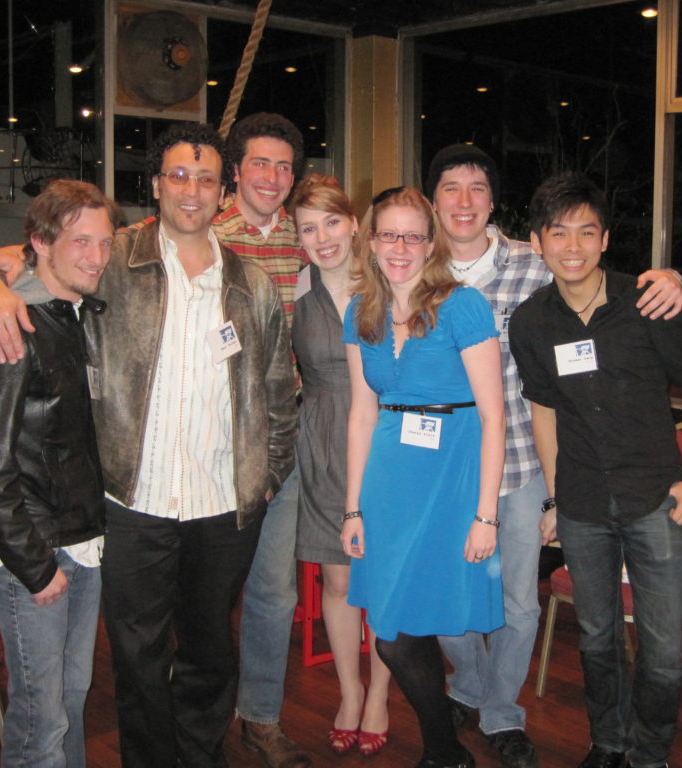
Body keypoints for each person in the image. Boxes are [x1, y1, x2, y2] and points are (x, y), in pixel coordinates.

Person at [0, 122, 298, 768]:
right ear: (154, 185)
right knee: (138, 659)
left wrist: (267, 475)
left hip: (225, 503)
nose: (191, 190)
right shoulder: (113, 257)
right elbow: (27, 264)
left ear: (223, 188)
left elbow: (280, 392)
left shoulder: (251, 285)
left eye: (204, 177)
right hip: (130, 499)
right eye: (177, 175)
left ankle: (200, 757)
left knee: (208, 653)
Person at [424, 145, 682, 768]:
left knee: (519, 602)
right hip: (441, 469)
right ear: (433, 200)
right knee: (445, 597)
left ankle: (501, 712)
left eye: (477, 188)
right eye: (451, 189)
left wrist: (671, 278)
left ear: (494, 201)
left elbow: (597, 278)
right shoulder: (411, 265)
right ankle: (467, 682)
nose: (464, 201)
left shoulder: (533, 262)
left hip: (516, 464)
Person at [508, 171, 682, 768]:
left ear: (603, 241)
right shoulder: (531, 323)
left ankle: (651, 754)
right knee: (597, 639)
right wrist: (552, 498)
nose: (571, 246)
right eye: (557, 233)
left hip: (657, 498)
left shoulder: (648, 303)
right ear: (537, 241)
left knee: (662, 648)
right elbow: (542, 410)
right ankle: (609, 742)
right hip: (582, 504)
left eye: (585, 232)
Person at [0, 179, 118, 768]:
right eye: (80, 241)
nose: (96, 256)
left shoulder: (73, 316)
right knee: (39, 716)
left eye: (103, 242)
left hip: (83, 543)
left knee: (69, 701)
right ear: (41, 244)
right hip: (37, 554)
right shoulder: (8, 327)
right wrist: (33, 563)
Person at [341, 186, 506, 768]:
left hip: (450, 477)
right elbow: (362, 414)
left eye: (414, 234)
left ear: (431, 242)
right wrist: (353, 507)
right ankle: (446, 750)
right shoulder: (359, 310)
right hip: (390, 480)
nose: (401, 247)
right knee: (392, 627)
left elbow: (493, 416)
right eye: (389, 234)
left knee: (398, 632)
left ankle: (443, 750)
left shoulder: (463, 305)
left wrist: (486, 515)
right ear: (371, 240)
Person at [215, 112, 312, 768]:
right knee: (210, 590)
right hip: (216, 438)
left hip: (290, 436)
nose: (273, 178)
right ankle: (203, 714)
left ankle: (262, 718)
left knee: (275, 590)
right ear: (236, 170)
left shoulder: (311, 242)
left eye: (284, 166)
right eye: (260, 164)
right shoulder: (203, 236)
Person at [289, 174, 391, 756]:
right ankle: (349, 692)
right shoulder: (296, 287)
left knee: (379, 579)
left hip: (384, 438)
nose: (322, 237)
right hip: (322, 438)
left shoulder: (385, 278)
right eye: (309, 227)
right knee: (337, 576)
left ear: (354, 224)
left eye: (332, 222)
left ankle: (379, 692)